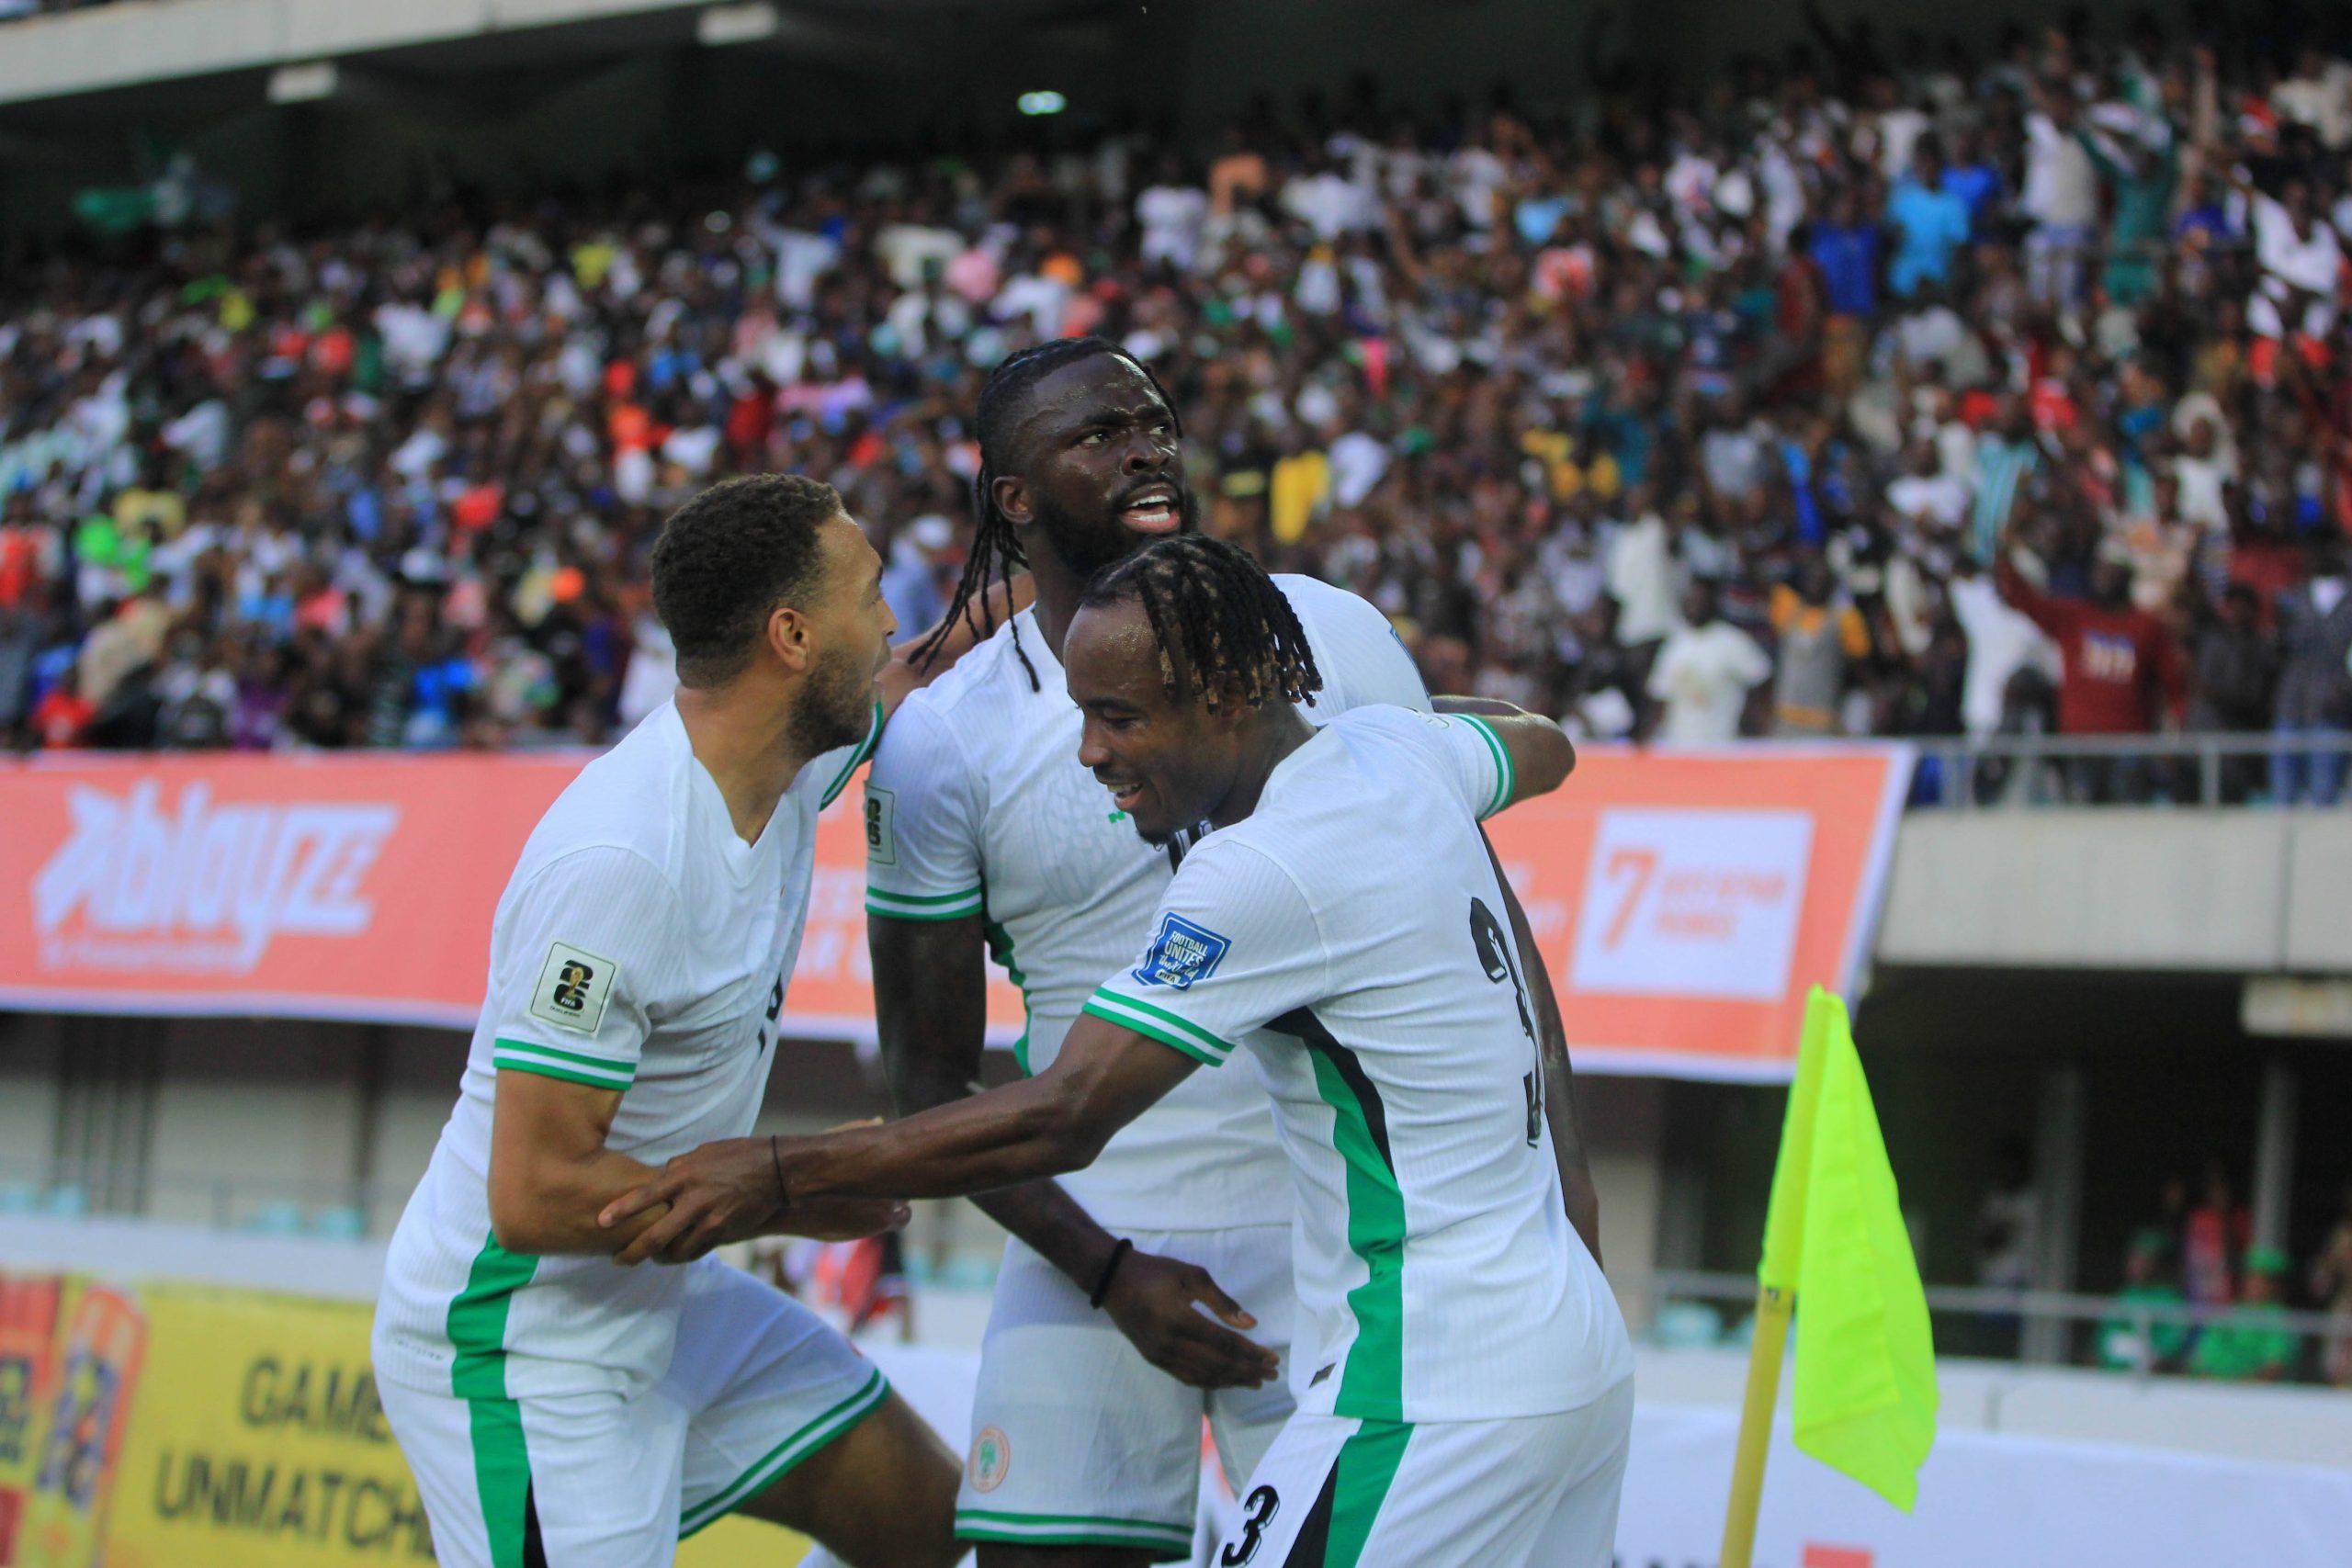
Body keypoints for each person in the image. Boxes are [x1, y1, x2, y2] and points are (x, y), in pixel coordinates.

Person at [606, 536, 1635, 1568]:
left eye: (1120, 716)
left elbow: (1065, 1112)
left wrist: (779, 1171)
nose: (1089, 751)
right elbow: (1542, 742)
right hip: (1571, 1352)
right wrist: (1423, 736)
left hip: (1432, 1382)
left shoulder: (1260, 869)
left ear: (1227, 695)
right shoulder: (1401, 755)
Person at [863, 337, 1595, 1564]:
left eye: (1154, 421)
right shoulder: (943, 740)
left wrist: (1566, 1212)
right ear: (1015, 498)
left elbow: (1491, 933)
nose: (1148, 444)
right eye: (1098, 434)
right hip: (1082, 1237)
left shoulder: (1333, 633)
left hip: (1323, 1256)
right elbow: (929, 1084)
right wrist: (1107, 1269)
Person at [371, 475, 986, 1568]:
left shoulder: (786, 760)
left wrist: (1054, 565)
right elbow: (534, 1192)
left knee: (941, 1533)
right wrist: (791, 1183)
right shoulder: (622, 861)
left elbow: (922, 665)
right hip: (522, 1349)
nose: (889, 615)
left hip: (666, 1305)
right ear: (792, 636)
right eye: (870, 591)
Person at [1647, 581, 1770, 743]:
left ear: (1712, 602)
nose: (1694, 606)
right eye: (1690, 601)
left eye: (1700, 601)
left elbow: (1761, 679)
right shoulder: (1674, 644)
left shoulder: (1732, 640)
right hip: (1680, 744)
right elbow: (1661, 695)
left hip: (1723, 743)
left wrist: (1749, 720)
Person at [2188, 1247, 2302, 1382]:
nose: (2256, 1284)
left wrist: (2242, 1387)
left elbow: (2274, 1364)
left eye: (2263, 1280)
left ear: (2275, 1285)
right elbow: (2202, 1357)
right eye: (2252, 1278)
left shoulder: (2280, 1319)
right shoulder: (2227, 1313)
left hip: (2256, 1396)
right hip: (2214, 1391)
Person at [2094, 1229, 2189, 1372]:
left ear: (2157, 1262)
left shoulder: (2170, 1300)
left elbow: (2168, 1349)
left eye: (2143, 1258)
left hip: (2148, 1383)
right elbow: (2103, 1338)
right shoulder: (2125, 1295)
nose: (2135, 1264)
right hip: (2109, 1379)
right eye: (2133, 1257)